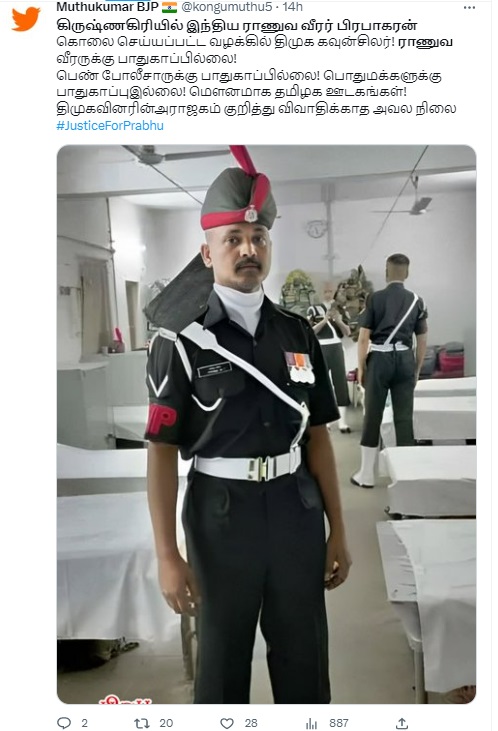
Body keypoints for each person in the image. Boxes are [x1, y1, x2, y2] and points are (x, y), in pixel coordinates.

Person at [144, 146, 352, 704]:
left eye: (258, 238)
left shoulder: (297, 334)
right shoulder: (180, 341)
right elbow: (161, 451)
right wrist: (167, 554)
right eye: (232, 238)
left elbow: (318, 436)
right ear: (207, 253)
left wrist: (338, 528)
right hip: (220, 517)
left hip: (295, 510)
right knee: (221, 664)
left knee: (304, 657)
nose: (247, 249)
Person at [351, 253, 428, 488]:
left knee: (372, 416)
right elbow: (422, 340)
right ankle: (406, 477)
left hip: (380, 360)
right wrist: (416, 369)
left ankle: (366, 475)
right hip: (404, 359)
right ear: (407, 273)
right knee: (403, 418)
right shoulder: (417, 301)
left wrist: (361, 367)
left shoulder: (375, 299)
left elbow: (363, 338)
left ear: (386, 272)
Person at [307, 283, 352, 433]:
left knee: (340, 382)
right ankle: (324, 421)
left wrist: (338, 320)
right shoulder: (313, 309)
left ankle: (342, 422)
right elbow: (310, 331)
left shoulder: (340, 309)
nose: (328, 293)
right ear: (321, 292)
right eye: (325, 291)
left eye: (330, 291)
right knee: (322, 382)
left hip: (337, 346)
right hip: (321, 347)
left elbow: (348, 332)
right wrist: (324, 320)